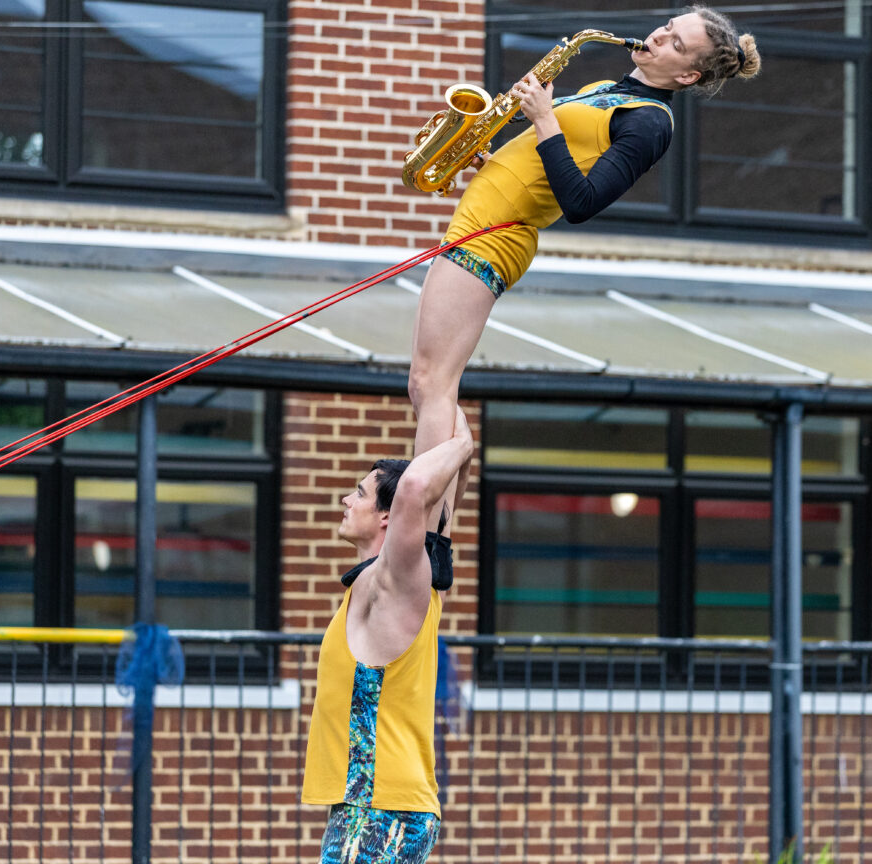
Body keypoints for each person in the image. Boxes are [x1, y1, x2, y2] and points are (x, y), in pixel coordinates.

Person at [408, 5, 761, 466]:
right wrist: (492, 161)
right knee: (433, 383)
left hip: (493, 237)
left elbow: (582, 202)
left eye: (675, 44)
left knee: (430, 382)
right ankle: (437, 527)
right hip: (482, 222)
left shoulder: (651, 122)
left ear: (690, 76)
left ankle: (429, 524)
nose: (657, 37)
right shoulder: (605, 91)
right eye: (668, 27)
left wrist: (545, 118)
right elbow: (547, 168)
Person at [301, 406, 474, 864]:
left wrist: (463, 445)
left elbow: (418, 488)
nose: (345, 500)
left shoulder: (397, 581)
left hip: (381, 807)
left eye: (359, 493)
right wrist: (433, 390)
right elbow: (445, 495)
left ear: (387, 517)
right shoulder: (393, 579)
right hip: (373, 804)